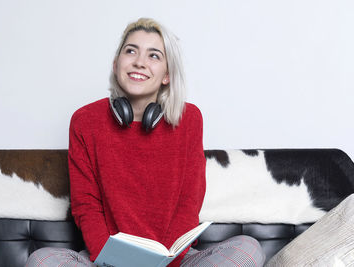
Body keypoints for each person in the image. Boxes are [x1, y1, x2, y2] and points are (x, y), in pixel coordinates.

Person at [26, 18, 266, 267]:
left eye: (154, 56)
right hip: (105, 260)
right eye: (131, 51)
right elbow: (86, 206)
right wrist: (112, 260)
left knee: (248, 249)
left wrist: (164, 262)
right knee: (42, 261)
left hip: (174, 262)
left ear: (167, 75)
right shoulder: (85, 121)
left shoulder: (189, 119)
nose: (139, 61)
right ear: (116, 63)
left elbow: (189, 203)